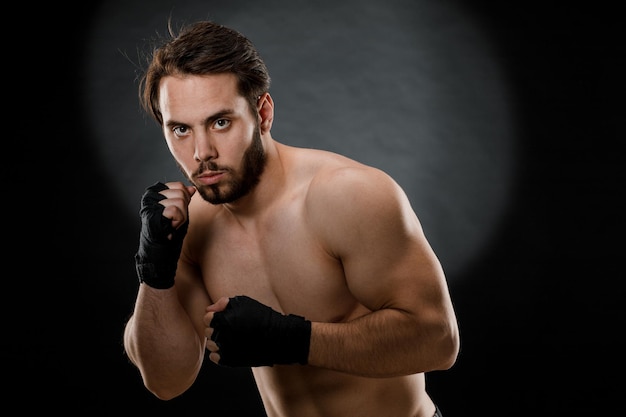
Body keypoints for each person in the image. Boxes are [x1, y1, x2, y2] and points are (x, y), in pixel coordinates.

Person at [123, 19, 460, 417]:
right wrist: (154, 271)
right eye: (181, 129)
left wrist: (292, 340)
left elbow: (438, 343)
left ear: (262, 113)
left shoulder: (347, 195)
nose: (201, 152)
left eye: (220, 122)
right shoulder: (189, 228)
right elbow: (166, 381)